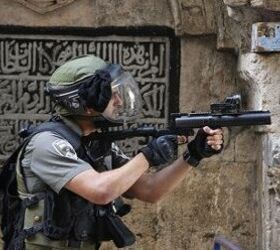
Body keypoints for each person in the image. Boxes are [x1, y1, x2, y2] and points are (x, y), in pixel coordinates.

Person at [5, 55, 223, 250]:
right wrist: (147, 155)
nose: (119, 101)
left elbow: (149, 190)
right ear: (86, 105)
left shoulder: (94, 144)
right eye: (111, 95)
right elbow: (101, 191)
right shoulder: (47, 144)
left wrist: (193, 155)